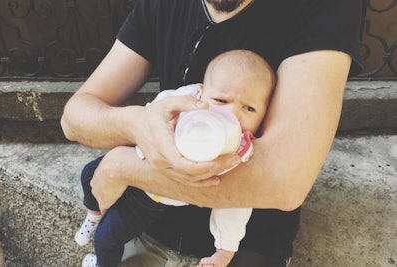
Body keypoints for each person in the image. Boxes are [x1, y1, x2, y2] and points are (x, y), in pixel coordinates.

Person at [61, 0, 363, 266]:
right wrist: (136, 123)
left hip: (246, 248)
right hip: (145, 227)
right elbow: (74, 117)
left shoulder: (325, 6)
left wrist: (122, 167)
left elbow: (284, 183)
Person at [76, 50, 276, 267]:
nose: (232, 114)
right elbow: (154, 113)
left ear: (264, 116)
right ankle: (93, 216)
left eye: (249, 108)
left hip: (152, 197)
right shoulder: (185, 102)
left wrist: (224, 251)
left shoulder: (238, 153)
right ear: (200, 93)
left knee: (107, 238)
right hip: (136, 161)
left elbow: (236, 205)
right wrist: (145, 140)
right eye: (221, 99)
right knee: (89, 173)